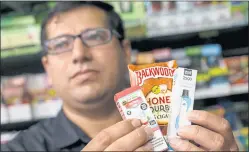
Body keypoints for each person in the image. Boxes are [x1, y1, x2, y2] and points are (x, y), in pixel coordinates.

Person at [1, 1, 239, 151]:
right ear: (47, 66)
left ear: (125, 52)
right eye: (61, 44)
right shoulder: (20, 148)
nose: (79, 54)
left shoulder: (190, 130)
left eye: (94, 36)